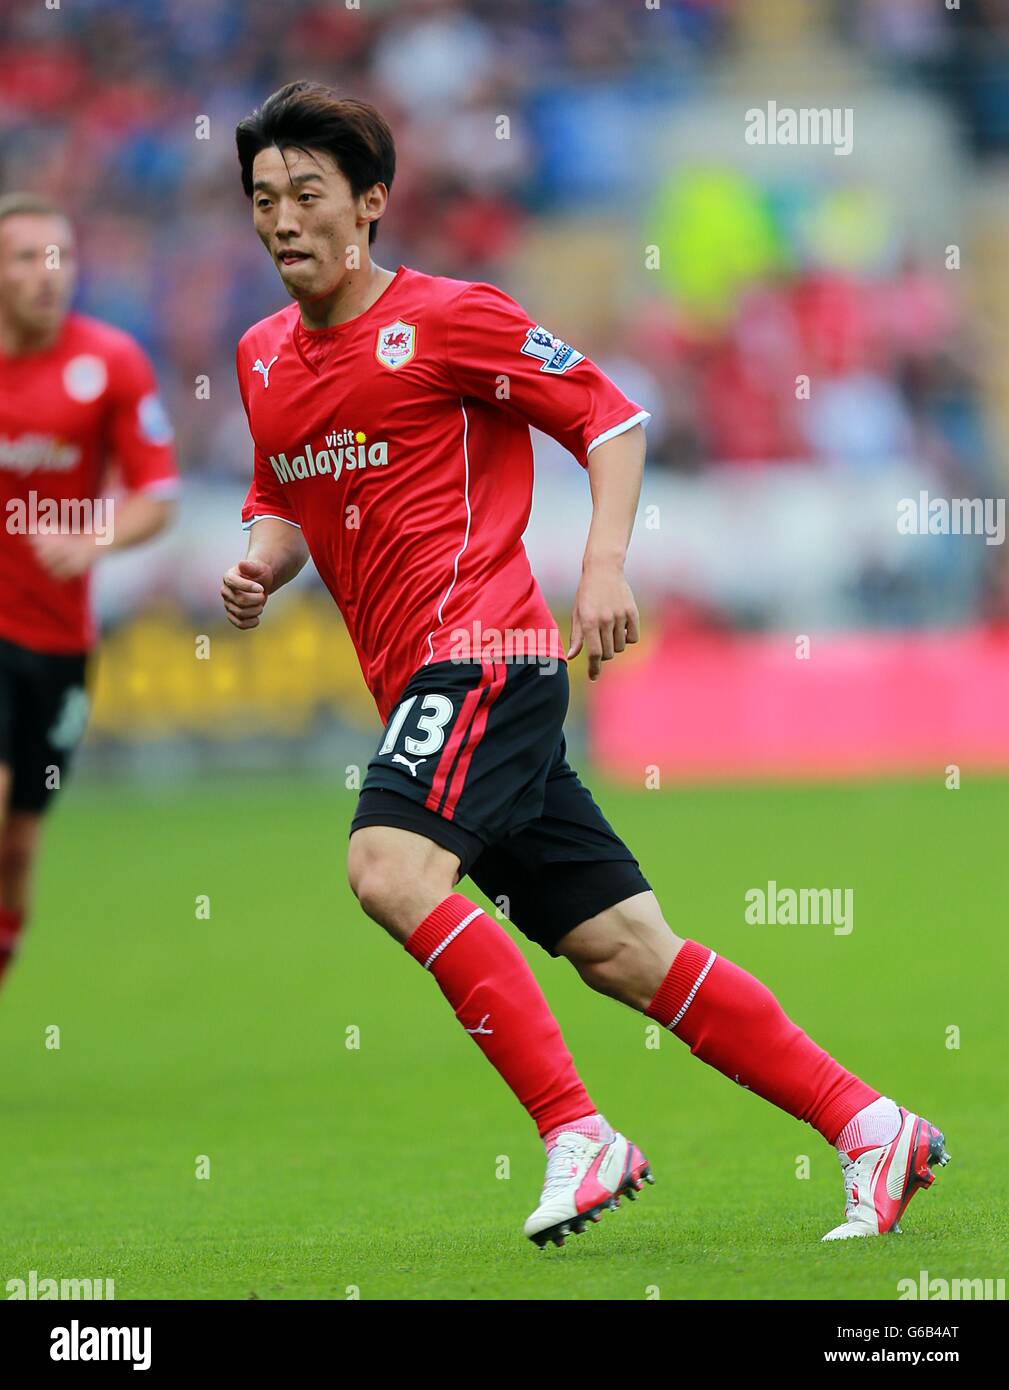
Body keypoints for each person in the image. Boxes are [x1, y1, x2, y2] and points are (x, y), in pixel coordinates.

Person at [222, 82, 949, 1247]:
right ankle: (872, 1124)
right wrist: (262, 560)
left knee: (387, 867)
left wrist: (603, 565)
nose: (283, 220)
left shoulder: (450, 318)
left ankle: (575, 1129)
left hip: (486, 658)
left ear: (370, 204)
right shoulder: (261, 357)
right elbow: (281, 495)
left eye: (308, 194)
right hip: (425, 682)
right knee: (624, 950)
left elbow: (609, 418)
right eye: (263, 200)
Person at [0, 194, 177, 993]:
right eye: (26, 258)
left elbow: (157, 494)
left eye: (60, 257)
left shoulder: (110, 362)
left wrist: (93, 537)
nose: (48, 275)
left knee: (19, 849)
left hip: (60, 643)